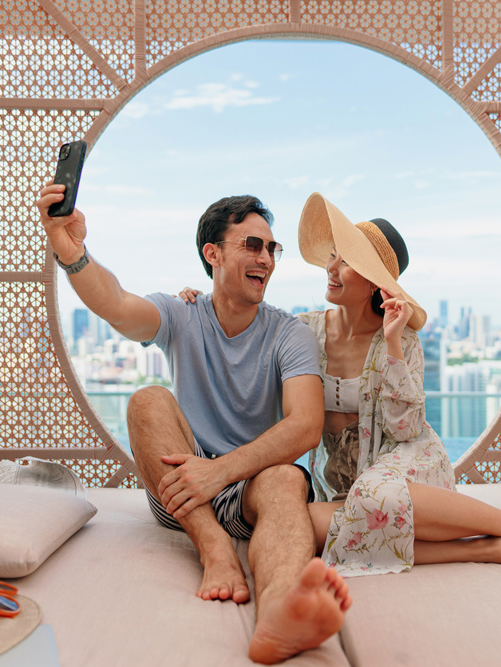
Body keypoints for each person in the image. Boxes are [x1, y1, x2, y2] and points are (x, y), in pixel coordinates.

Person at [181, 192, 501, 577]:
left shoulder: (401, 339)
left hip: (407, 464)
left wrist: (393, 342)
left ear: (373, 282)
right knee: (303, 525)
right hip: (348, 486)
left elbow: (403, 429)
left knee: (379, 497)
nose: (331, 268)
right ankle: (488, 548)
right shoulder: (302, 331)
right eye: (333, 257)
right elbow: (249, 329)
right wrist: (205, 300)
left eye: (345, 263)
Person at [36, 184, 351, 664]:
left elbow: (306, 426)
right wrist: (71, 250)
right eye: (252, 244)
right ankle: (215, 549)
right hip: (181, 493)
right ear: (213, 253)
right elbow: (117, 305)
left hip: (251, 491)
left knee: (288, 477)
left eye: (272, 248)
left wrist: (222, 471)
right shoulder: (182, 314)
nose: (266, 258)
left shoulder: (290, 335)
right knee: (147, 400)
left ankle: (279, 618)